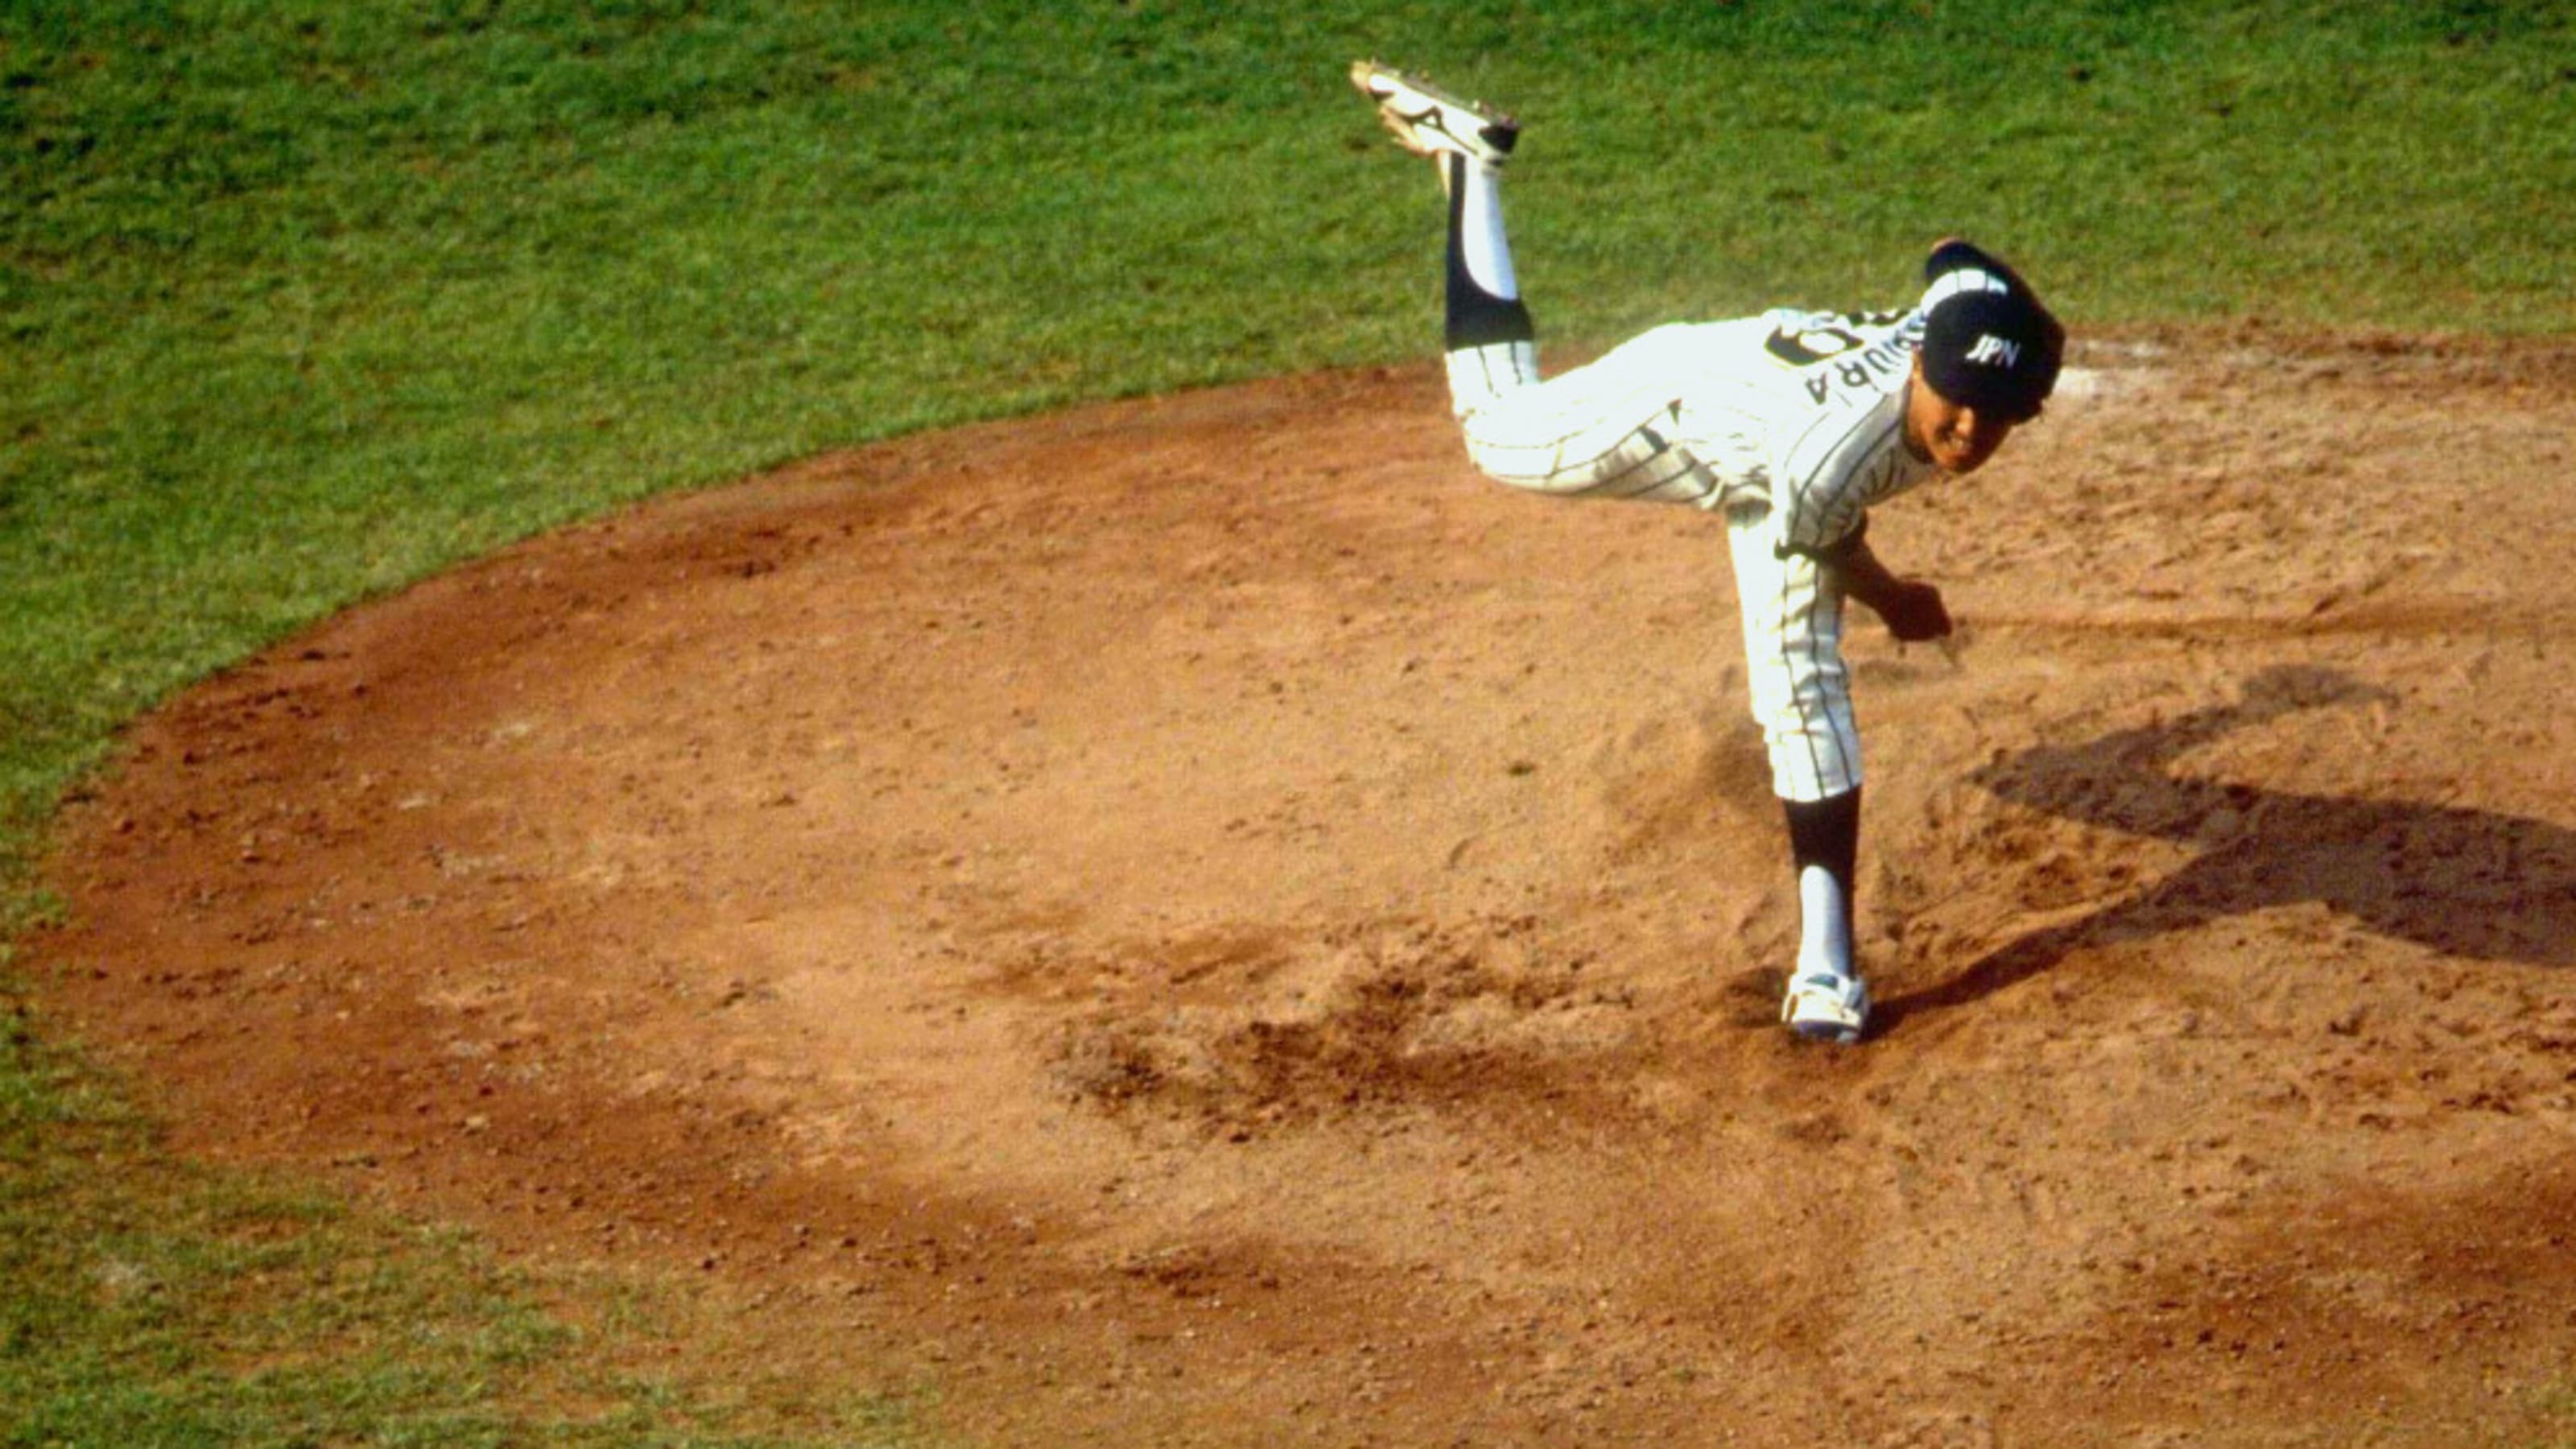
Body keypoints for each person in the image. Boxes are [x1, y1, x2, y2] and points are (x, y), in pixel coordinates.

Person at [1349, 62, 2066, 1043]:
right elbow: (1832, 538)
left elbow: (1955, 256)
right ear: (1917, 362)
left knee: (1800, 685)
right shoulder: (1834, 453)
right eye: (1956, 402)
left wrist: (2019, 324)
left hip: (1775, 442)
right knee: (1495, 433)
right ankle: (1471, 166)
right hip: (1687, 403)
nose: (1969, 431)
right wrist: (1896, 600)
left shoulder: (1965, 316)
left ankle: (1825, 966)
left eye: (1997, 414)